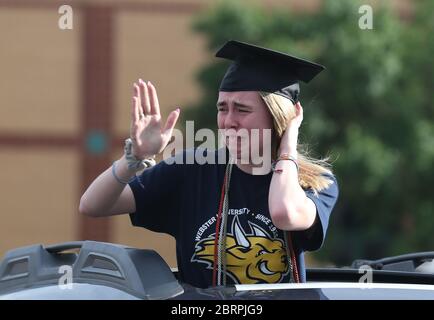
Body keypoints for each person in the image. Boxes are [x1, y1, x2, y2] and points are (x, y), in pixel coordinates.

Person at [79, 40, 339, 288]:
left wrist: (288, 144)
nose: (228, 121)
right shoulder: (193, 169)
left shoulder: (314, 182)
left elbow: (284, 214)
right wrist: (133, 159)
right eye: (222, 108)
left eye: (242, 110)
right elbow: (93, 205)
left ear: (278, 117)